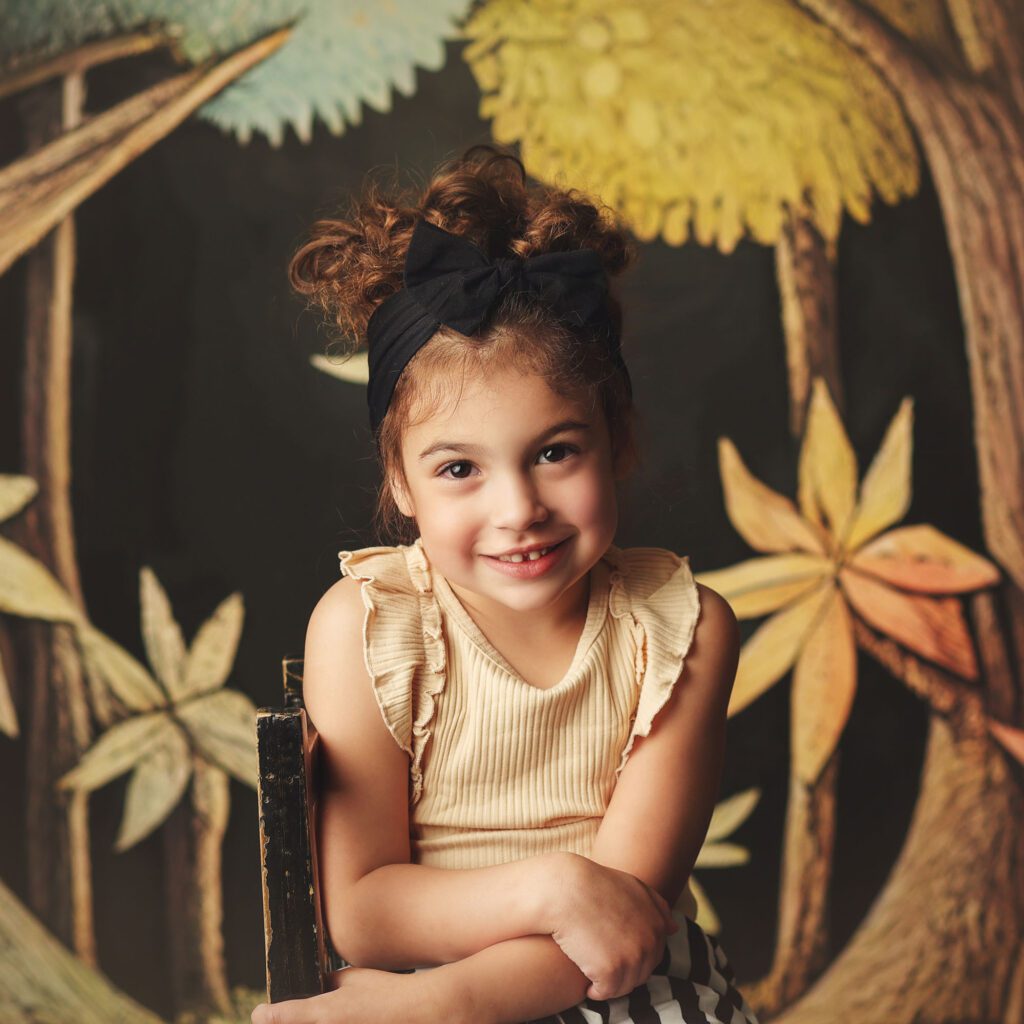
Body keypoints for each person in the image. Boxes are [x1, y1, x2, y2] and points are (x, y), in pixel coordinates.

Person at [252, 145, 759, 1024]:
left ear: (617, 442)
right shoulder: (369, 626)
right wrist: (552, 887)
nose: (518, 508)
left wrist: (451, 1007)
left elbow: (626, 921)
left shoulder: (682, 629)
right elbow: (367, 912)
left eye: (555, 452)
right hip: (418, 981)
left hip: (626, 993)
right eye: (458, 469)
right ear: (401, 485)